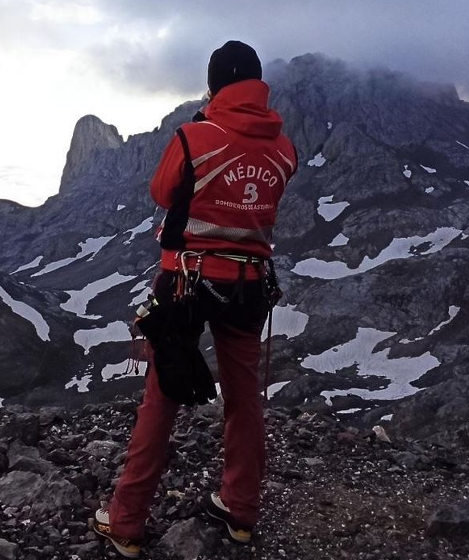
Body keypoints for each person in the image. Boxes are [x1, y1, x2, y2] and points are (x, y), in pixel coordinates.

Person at [90, 40, 298, 558]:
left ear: (213, 86)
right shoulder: (284, 149)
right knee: (244, 397)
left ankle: (127, 520)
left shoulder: (193, 136)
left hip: (186, 283)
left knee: (162, 395)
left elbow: (164, 193)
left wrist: (205, 124)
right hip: (249, 285)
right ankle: (241, 511)